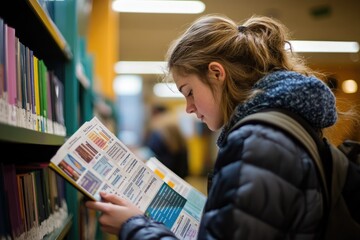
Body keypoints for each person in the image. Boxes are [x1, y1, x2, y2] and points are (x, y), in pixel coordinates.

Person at [85, 13, 343, 239]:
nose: (188, 108)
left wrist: (133, 225)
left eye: (189, 92)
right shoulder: (277, 127)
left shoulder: (257, 142)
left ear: (217, 74)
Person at [143, 104, 189, 179]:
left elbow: (151, 153)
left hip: (164, 175)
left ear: (155, 113)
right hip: (180, 175)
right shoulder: (175, 124)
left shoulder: (158, 128)